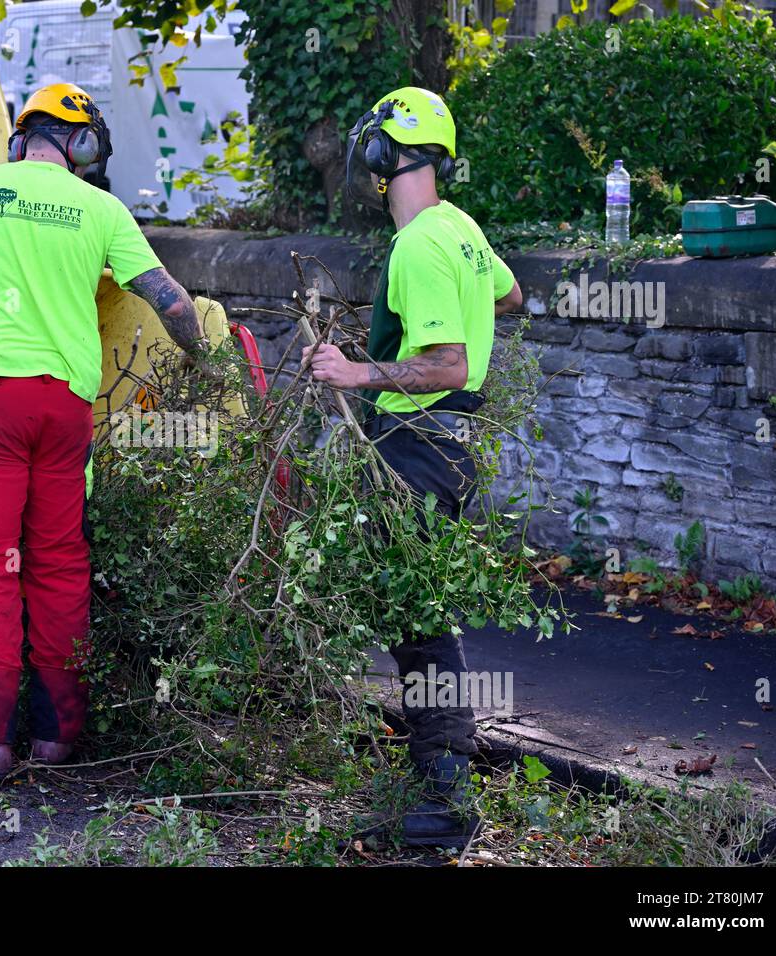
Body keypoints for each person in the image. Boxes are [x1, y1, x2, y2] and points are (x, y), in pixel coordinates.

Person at [0, 82, 207, 775]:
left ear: (23, 136)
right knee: (59, 568)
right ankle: (58, 740)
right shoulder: (103, 208)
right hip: (67, 414)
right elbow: (170, 301)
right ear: (82, 147)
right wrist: (207, 362)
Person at [300, 87, 523, 848]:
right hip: (452, 447)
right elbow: (511, 291)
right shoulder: (461, 232)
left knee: (417, 622)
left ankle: (446, 799)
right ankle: (439, 784)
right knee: (414, 614)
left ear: (383, 151)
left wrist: (356, 372)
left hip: (418, 447)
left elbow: (449, 363)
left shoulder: (421, 241)